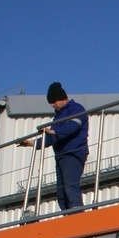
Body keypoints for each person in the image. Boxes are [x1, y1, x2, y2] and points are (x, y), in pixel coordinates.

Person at [20, 82, 89, 211]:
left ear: (60, 98)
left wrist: (54, 132)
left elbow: (73, 127)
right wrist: (33, 143)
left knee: (70, 186)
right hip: (61, 156)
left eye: (53, 101)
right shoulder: (58, 116)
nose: (52, 105)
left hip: (73, 153)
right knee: (61, 193)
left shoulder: (76, 109)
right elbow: (51, 138)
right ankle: (68, 217)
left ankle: (78, 215)